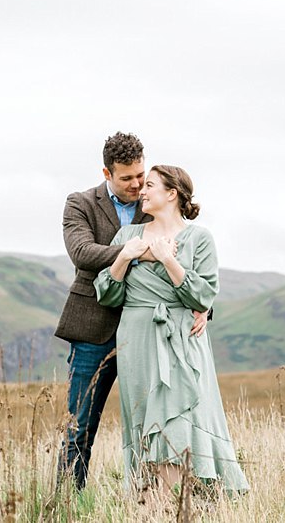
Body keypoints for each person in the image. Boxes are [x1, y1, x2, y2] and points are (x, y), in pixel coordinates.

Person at [55, 133, 208, 491]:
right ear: (106, 172)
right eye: (126, 178)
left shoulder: (154, 197)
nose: (136, 184)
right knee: (80, 424)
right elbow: (83, 253)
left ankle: (162, 501)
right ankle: (65, 502)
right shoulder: (79, 204)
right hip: (95, 328)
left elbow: (186, 251)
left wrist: (204, 304)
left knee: (165, 419)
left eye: (140, 175)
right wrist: (136, 250)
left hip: (153, 333)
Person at [94, 164, 249, 495]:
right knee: (143, 422)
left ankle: (172, 505)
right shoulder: (128, 236)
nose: (142, 191)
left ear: (171, 194)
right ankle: (150, 505)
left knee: (176, 419)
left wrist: (168, 259)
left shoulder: (199, 238)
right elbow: (107, 294)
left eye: (150, 185)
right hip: (135, 339)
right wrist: (125, 258)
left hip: (180, 339)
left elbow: (204, 294)